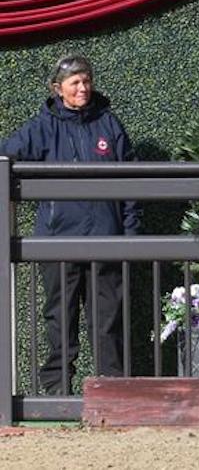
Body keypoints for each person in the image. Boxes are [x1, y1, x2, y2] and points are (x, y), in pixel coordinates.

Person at [0, 55, 141, 394]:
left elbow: (134, 181)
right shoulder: (42, 127)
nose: (83, 87)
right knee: (59, 320)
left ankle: (114, 392)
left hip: (106, 242)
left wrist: (131, 233)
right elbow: (6, 154)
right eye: (75, 82)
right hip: (57, 243)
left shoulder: (110, 124)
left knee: (108, 323)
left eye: (87, 80)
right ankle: (56, 391)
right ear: (57, 88)